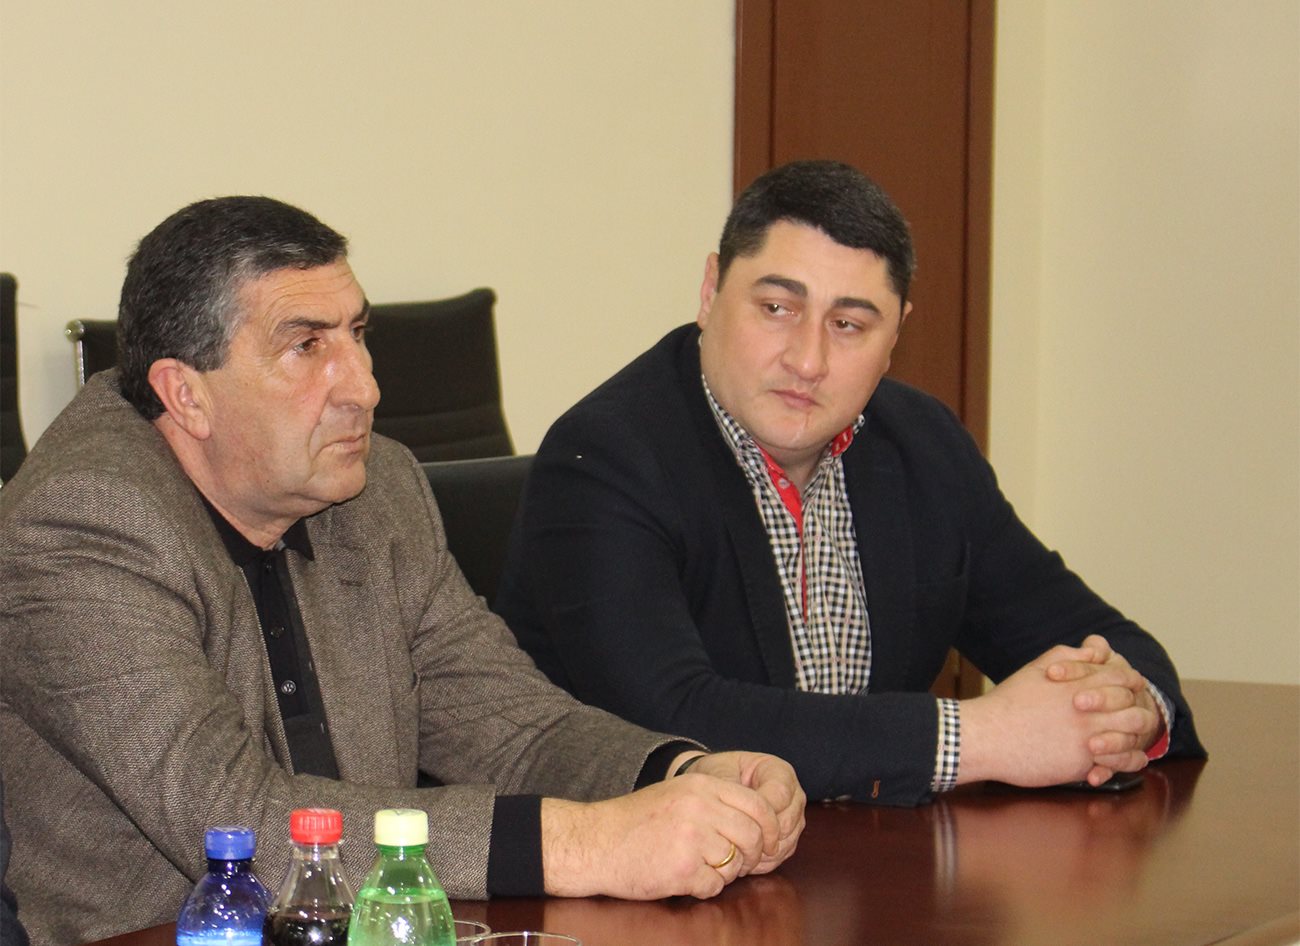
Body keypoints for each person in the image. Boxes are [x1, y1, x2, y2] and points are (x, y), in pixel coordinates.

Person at [0, 197, 804, 946]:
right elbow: (243, 825)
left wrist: (682, 775)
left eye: (358, 334)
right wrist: (590, 844)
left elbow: (510, 726)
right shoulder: (82, 522)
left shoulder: (375, 488)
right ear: (185, 395)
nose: (365, 388)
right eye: (307, 346)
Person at [495, 160, 1205, 807]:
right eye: (777, 308)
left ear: (896, 336)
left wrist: (1125, 711)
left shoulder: (924, 445)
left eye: (849, 324)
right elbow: (672, 722)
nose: (808, 360)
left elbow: (1106, 641)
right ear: (710, 292)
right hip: (633, 882)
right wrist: (983, 737)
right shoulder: (605, 459)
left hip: (869, 870)